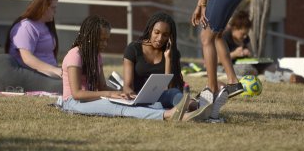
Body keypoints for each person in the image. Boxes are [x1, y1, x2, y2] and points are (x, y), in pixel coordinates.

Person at [59, 15, 210, 121]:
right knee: (117, 107)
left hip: (91, 99)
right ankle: (168, 115)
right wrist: (110, 95)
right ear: (89, 37)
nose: (105, 44)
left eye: (106, 40)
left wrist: (120, 94)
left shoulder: (96, 56)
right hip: (73, 103)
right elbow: (77, 94)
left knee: (124, 102)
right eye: (101, 40)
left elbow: (101, 86)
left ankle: (188, 113)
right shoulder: (75, 55)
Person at [123, 12, 187, 109]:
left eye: (165, 35)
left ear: (170, 37)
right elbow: (127, 86)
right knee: (174, 99)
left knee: (175, 94)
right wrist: (132, 96)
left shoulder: (172, 53)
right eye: (156, 32)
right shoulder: (133, 49)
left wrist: (168, 59)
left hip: (161, 98)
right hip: (136, 98)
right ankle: (189, 107)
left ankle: (198, 107)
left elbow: (170, 88)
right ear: (150, 30)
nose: (160, 38)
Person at [5, 0, 62, 79]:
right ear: (42, 8)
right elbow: (27, 59)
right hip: (31, 73)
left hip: (50, 71)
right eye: (53, 8)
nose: (55, 11)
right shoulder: (26, 27)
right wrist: (56, 70)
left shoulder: (46, 24)